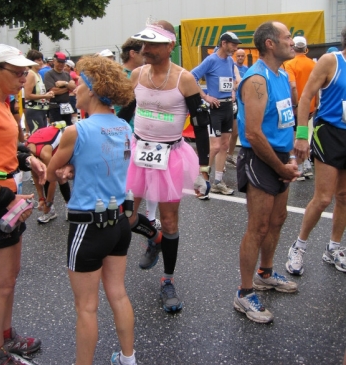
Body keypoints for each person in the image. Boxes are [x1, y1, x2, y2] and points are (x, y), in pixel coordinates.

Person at [47, 55, 139, 365]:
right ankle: (129, 363)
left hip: (88, 226)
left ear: (92, 89)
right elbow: (115, 165)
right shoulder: (125, 128)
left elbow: (51, 170)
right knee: (119, 294)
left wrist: (60, 167)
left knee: (86, 307)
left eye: (79, 82)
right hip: (118, 224)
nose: (74, 87)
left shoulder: (77, 131)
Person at [125, 21, 202, 312]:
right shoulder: (136, 74)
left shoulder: (185, 79)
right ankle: (153, 237)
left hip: (170, 155)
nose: (144, 49)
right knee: (125, 215)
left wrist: (204, 169)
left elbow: (199, 122)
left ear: (170, 46)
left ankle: (167, 280)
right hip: (137, 151)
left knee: (170, 221)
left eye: (152, 44)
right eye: (143, 44)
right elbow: (125, 113)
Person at [233, 21, 300, 324]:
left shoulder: (282, 75)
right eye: (287, 37)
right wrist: (280, 167)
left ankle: (266, 273)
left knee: (277, 220)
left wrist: (291, 158)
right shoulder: (256, 79)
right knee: (257, 227)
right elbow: (255, 134)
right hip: (260, 158)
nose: (293, 42)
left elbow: (285, 119)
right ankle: (245, 293)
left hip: (280, 157)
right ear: (270, 43)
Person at [0, 44, 47, 365]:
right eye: (17, 72)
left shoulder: (5, 102)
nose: (24, 77)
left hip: (11, 190)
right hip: (1, 196)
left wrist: (28, 157)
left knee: (10, 278)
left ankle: (6, 335)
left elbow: (8, 146)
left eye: (26, 71)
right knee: (1, 282)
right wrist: (5, 199)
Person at [285, 26, 346, 276]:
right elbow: (307, 95)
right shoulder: (332, 61)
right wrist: (301, 135)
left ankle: (334, 248)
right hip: (329, 132)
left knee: (344, 197)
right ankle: (298, 246)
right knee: (323, 198)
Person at [115, 37, 162, 228]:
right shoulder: (120, 75)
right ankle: (124, 214)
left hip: (145, 134)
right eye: (143, 52)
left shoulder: (146, 73)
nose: (146, 55)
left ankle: (149, 217)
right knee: (128, 178)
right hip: (124, 133)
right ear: (133, 53)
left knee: (152, 176)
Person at [192, 31, 242, 195]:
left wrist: (233, 92)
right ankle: (201, 181)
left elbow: (230, 81)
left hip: (228, 107)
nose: (235, 48)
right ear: (224, 43)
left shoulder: (229, 60)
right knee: (214, 147)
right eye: (233, 44)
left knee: (225, 146)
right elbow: (192, 77)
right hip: (215, 110)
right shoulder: (211, 59)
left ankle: (218, 182)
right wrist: (205, 96)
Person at [284, 36, 316, 180]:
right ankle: (307, 164)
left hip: (297, 106)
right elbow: (318, 87)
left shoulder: (290, 64)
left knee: (297, 135)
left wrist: (295, 105)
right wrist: (316, 104)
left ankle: (302, 166)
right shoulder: (312, 64)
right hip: (311, 105)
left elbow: (293, 86)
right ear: (305, 48)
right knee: (306, 132)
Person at [24, 125, 71, 223]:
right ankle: (51, 211)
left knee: (60, 175)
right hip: (44, 138)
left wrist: (48, 203)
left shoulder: (44, 154)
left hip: (61, 137)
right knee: (42, 172)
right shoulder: (28, 155)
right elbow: (36, 178)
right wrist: (41, 198)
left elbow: (52, 180)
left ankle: (69, 206)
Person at [24, 49, 55, 134]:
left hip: (42, 110)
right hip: (34, 110)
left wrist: (48, 95)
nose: (41, 62)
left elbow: (39, 92)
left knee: (43, 137)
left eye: (41, 60)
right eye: (38, 60)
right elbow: (28, 95)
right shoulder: (30, 74)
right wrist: (45, 96)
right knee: (37, 138)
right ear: (31, 62)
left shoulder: (38, 74)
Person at [45, 52, 77, 125]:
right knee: (56, 129)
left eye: (63, 62)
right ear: (54, 61)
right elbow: (53, 91)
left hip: (66, 105)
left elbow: (74, 87)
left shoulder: (66, 74)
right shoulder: (49, 74)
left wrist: (64, 83)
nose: (61, 64)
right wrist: (68, 87)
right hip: (55, 106)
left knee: (68, 126)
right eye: (59, 62)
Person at [64, 60, 79, 124]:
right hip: (70, 96)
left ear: (69, 67)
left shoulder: (71, 74)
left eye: (65, 66)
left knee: (73, 113)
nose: (64, 67)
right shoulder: (68, 74)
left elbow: (78, 77)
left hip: (71, 96)